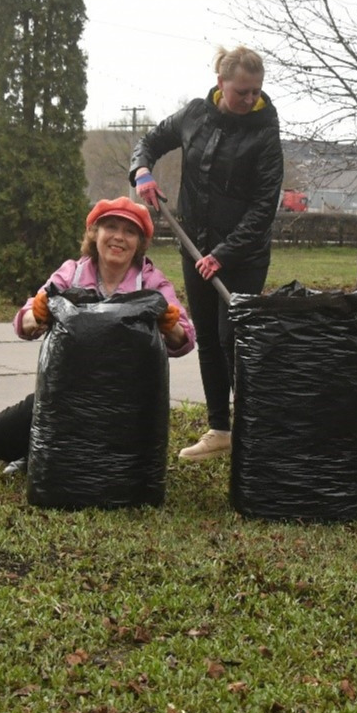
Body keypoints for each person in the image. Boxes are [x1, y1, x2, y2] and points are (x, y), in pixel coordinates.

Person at [129, 45, 284, 461]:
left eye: (255, 91)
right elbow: (150, 141)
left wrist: (226, 252)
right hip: (194, 245)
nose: (249, 99)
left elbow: (264, 206)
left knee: (233, 336)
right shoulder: (194, 114)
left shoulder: (266, 132)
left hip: (244, 255)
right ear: (221, 84)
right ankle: (220, 430)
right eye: (241, 92)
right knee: (209, 341)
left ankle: (256, 430)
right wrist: (141, 171)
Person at [0, 196, 196, 472]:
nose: (119, 237)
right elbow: (22, 323)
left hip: (126, 404)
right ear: (95, 234)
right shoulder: (72, 273)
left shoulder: (151, 281)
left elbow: (185, 339)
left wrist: (169, 325)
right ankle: (34, 453)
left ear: (140, 243)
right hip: (66, 396)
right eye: (111, 227)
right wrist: (38, 313)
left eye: (130, 231)